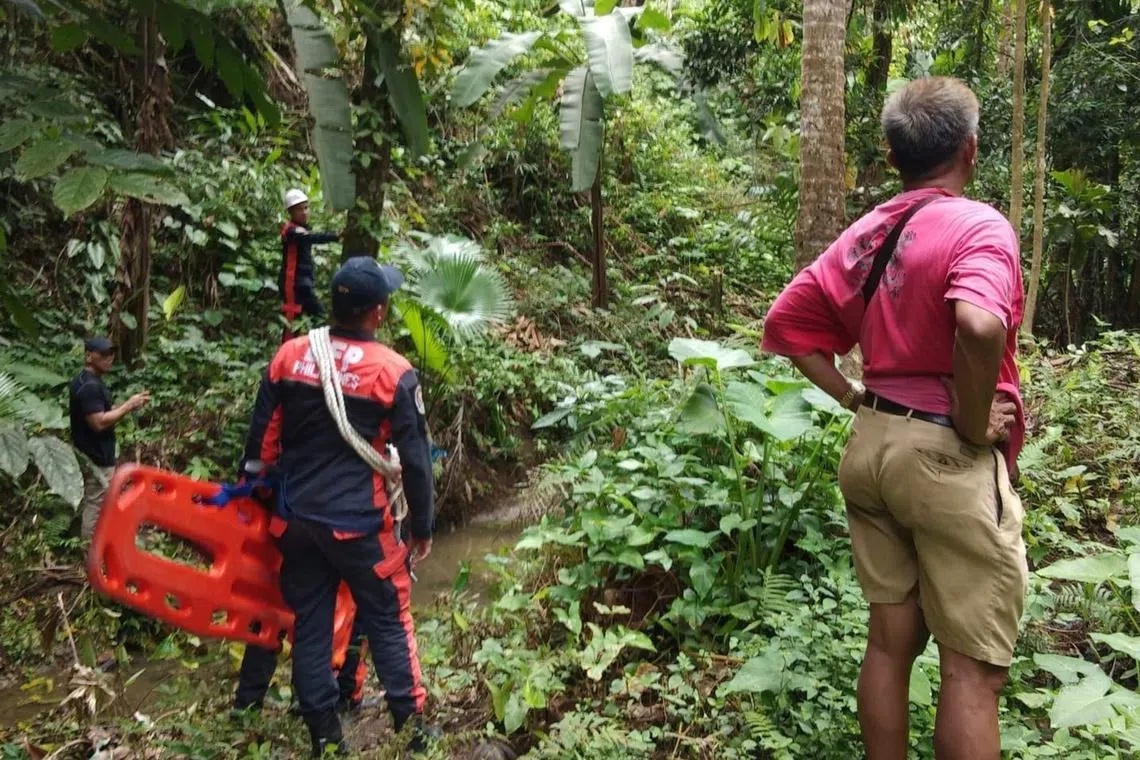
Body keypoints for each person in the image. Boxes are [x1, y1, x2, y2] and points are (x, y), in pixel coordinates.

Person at [761, 77, 1028, 760]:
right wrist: (972, 422)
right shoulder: (978, 225)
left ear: (895, 154)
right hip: (942, 457)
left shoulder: (866, 233)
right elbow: (977, 323)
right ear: (968, 150)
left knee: (890, 639)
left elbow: (786, 326)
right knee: (972, 670)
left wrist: (853, 396)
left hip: (872, 448)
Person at [240, 256, 436, 756]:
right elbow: (414, 461)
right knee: (389, 616)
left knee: (310, 621)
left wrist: (260, 502)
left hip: (299, 519)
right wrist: (423, 527)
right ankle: (412, 729)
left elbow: (261, 447)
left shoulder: (290, 356)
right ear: (379, 311)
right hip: (359, 523)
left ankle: (325, 737)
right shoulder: (394, 372)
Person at [69, 336, 150, 540]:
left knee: (95, 501)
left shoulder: (84, 381)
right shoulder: (91, 387)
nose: (110, 358)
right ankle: (89, 554)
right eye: (103, 354)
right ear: (89, 356)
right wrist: (128, 406)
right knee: (95, 505)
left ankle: (93, 546)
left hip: (87, 451)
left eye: (111, 353)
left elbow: (99, 412)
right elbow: (98, 422)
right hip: (96, 456)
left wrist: (125, 407)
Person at [280, 188, 340, 339]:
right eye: (299, 209)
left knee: (315, 317)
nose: (304, 212)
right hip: (292, 284)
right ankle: (284, 356)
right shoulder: (291, 231)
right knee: (292, 322)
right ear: (291, 213)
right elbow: (311, 237)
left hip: (303, 284)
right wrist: (336, 236)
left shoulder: (301, 229)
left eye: (306, 208)